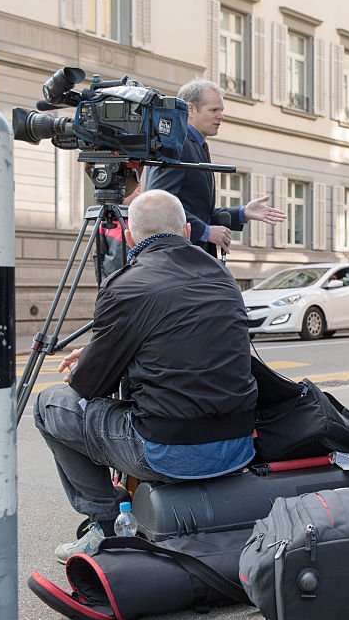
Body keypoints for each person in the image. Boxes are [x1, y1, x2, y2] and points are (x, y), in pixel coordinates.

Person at [33, 190, 258, 563]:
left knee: (49, 404)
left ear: (132, 239)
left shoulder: (125, 285)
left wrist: (98, 355)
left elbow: (90, 387)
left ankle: (104, 525)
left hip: (168, 452)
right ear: (187, 231)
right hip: (238, 446)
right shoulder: (223, 278)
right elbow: (181, 339)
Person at [144, 79, 285, 257]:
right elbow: (158, 204)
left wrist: (243, 213)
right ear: (190, 109)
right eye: (213, 110)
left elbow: (199, 211)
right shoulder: (178, 144)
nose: (221, 116)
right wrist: (204, 231)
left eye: (221, 110)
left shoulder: (196, 144)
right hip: (180, 259)